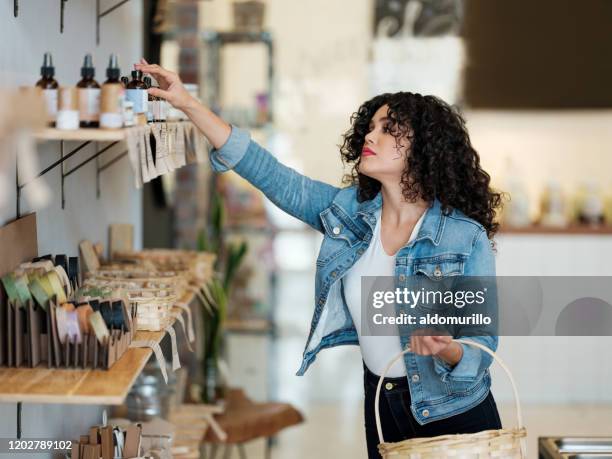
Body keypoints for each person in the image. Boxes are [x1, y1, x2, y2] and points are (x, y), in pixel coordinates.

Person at [135, 59, 504, 458]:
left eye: (388, 129)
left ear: (424, 149)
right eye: (371, 125)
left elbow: (482, 345)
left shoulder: (465, 236)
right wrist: (188, 104)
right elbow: (270, 173)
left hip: (454, 413)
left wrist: (446, 349)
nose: (371, 135)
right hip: (381, 403)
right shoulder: (348, 213)